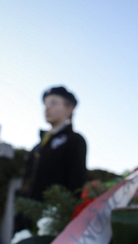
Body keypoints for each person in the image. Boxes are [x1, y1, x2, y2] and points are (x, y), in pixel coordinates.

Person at [16, 86, 87, 229]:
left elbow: (76, 183)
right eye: (45, 104)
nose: (47, 109)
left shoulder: (74, 141)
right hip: (26, 218)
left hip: (54, 221)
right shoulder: (38, 146)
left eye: (53, 103)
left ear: (69, 109)